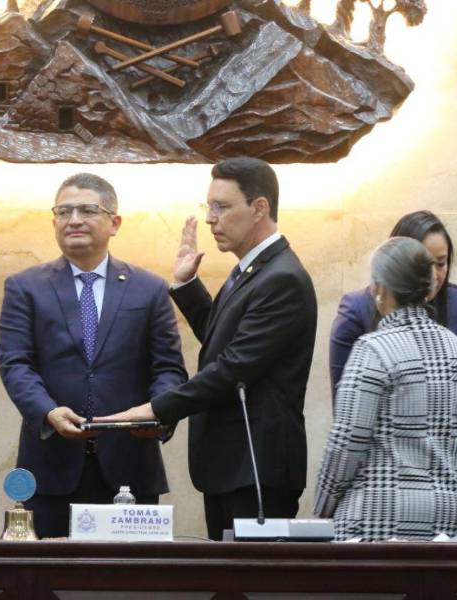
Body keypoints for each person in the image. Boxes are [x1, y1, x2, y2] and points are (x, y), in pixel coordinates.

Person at [97, 157, 317, 541]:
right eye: (209, 207)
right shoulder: (254, 269)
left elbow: (234, 367)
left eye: (222, 207)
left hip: (256, 467)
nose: (211, 219)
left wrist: (157, 408)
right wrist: (187, 286)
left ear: (259, 208)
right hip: (231, 466)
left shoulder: (282, 277)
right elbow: (224, 342)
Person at [0, 173, 187, 538]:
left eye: (87, 210)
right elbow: (15, 363)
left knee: (128, 573)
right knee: (47, 571)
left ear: (115, 222)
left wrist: (157, 412)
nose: (74, 220)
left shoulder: (149, 289)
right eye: (64, 212)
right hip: (51, 466)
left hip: (130, 464)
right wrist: (48, 412)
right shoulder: (25, 287)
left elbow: (168, 368)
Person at [314, 237, 457, 541]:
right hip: (449, 522)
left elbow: (346, 444)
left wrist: (322, 510)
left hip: (378, 519)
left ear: (379, 288)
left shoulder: (372, 350)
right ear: (429, 286)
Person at [329, 210, 457, 396]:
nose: (433, 275)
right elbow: (344, 398)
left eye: (440, 263)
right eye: (423, 265)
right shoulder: (356, 309)